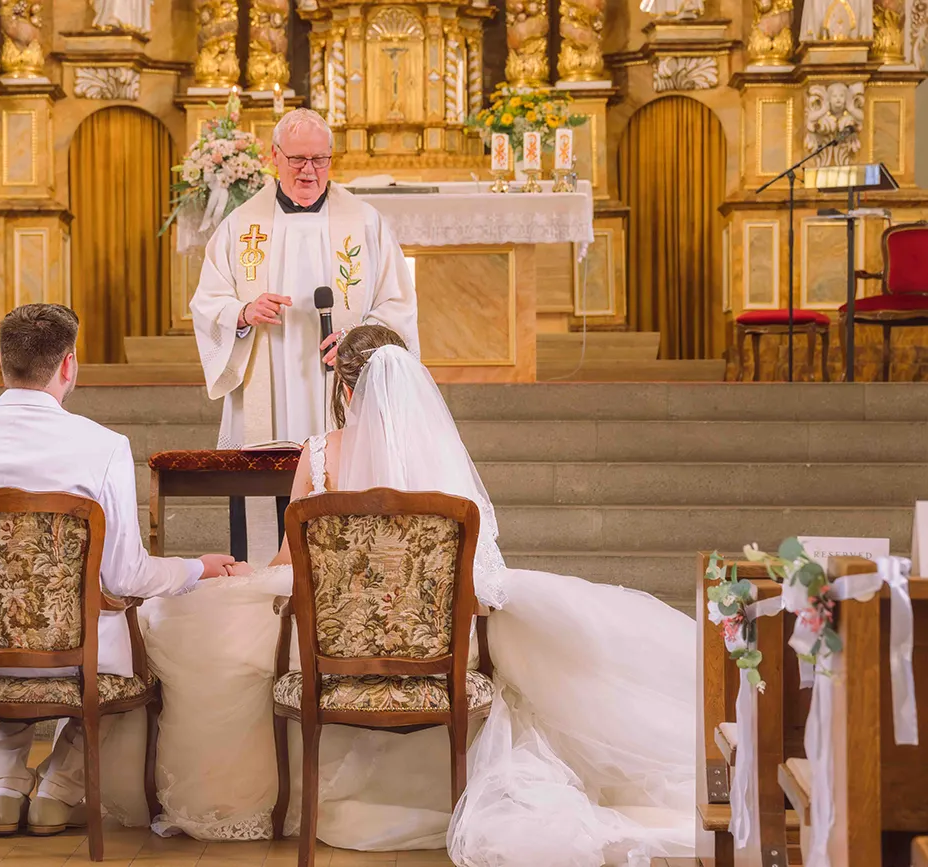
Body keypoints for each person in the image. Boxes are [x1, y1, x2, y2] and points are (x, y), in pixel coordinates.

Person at [102, 325, 697, 865]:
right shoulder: (441, 469)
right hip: (436, 649)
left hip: (330, 645)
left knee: (194, 626)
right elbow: (478, 574)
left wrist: (237, 576)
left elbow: (290, 564)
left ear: (344, 387)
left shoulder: (319, 455)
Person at [0, 303, 235, 837]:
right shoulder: (102, 447)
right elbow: (127, 577)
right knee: (140, 641)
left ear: (0, 362)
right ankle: (60, 789)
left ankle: (7, 786)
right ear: (69, 365)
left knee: (4, 616)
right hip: (76, 657)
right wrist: (194, 567)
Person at [190, 108, 419, 561]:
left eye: (319, 159)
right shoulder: (240, 227)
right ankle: (262, 606)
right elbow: (207, 301)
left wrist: (358, 337)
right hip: (265, 392)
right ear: (275, 157)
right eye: (297, 159)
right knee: (262, 526)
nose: (309, 171)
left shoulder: (366, 222)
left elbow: (398, 306)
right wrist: (242, 311)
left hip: (340, 384)